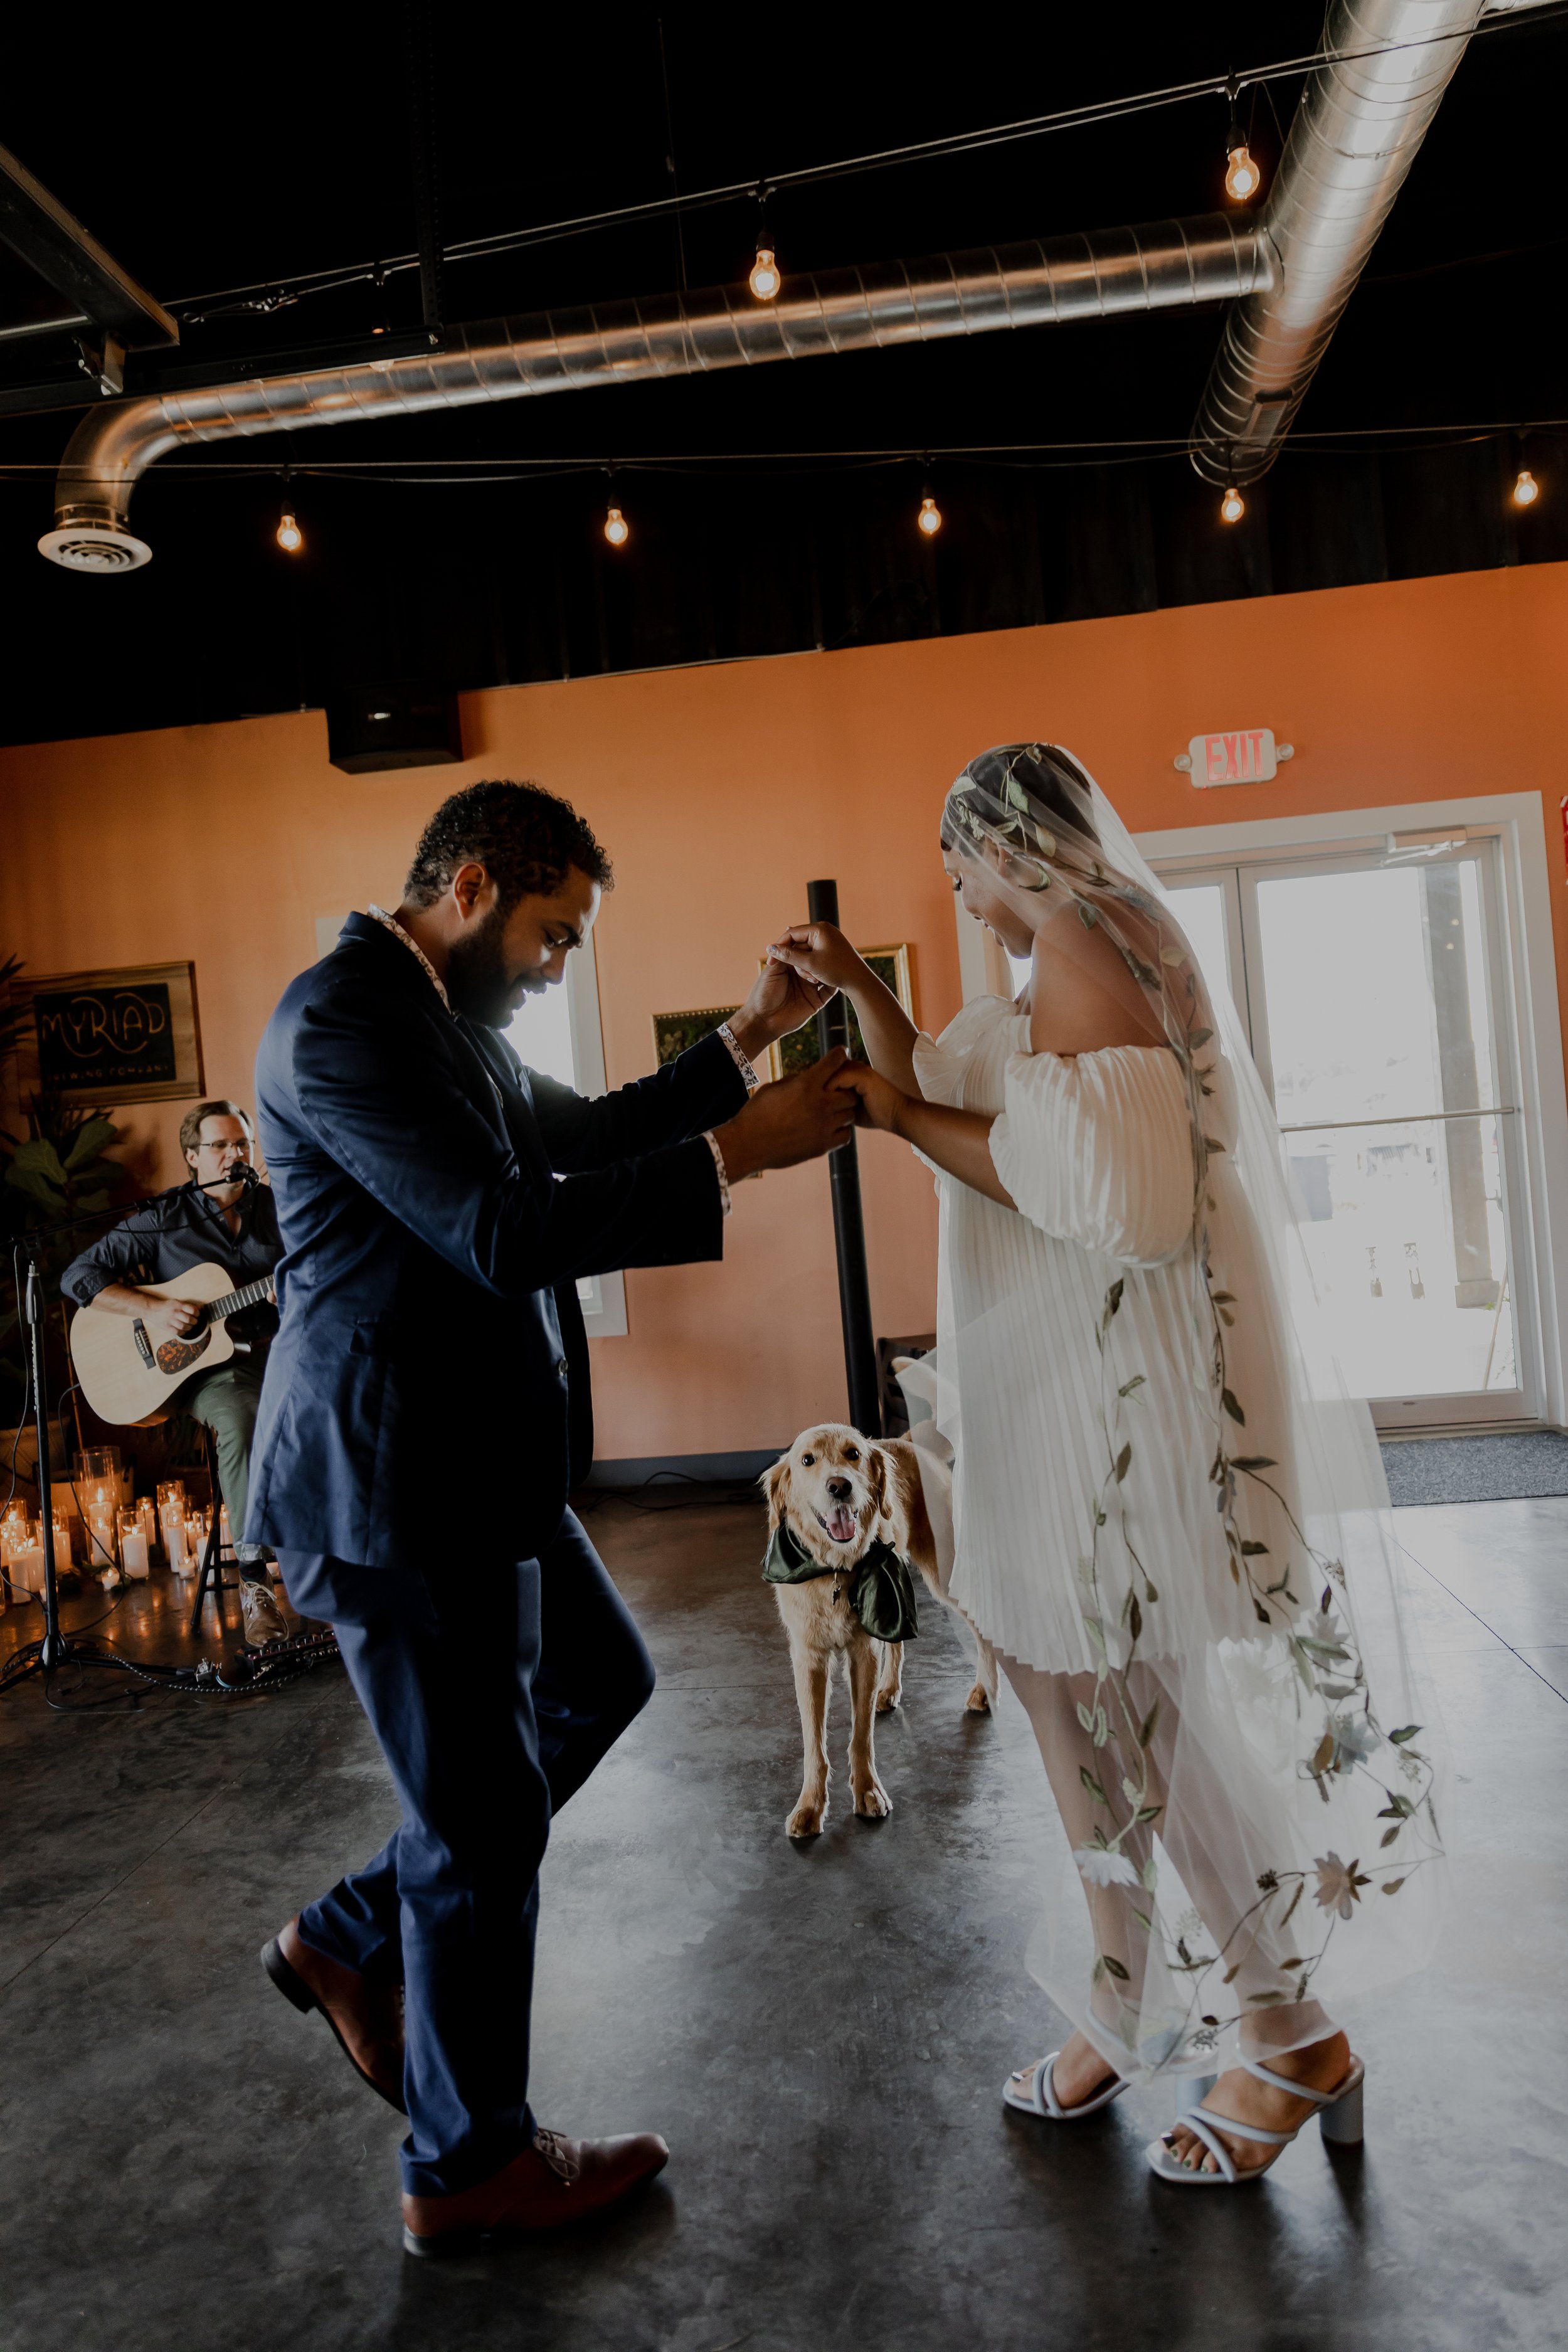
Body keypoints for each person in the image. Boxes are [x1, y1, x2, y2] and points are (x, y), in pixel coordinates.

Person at [770, 743, 1444, 2188]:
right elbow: (964, 1094)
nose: (951, 879)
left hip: (1108, 1420)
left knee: (1136, 1732)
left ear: (1004, 844)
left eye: (954, 852)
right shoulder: (1066, 958)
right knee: (1081, 1720)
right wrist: (865, 1000)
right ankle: (1132, 1993)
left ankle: (1292, 2032)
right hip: (1056, 1408)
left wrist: (896, 1114)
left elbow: (1120, 1197)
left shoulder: (1092, 944)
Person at [248, 778, 852, 2255]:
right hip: (391, 1488)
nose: (557, 966)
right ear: (465, 886)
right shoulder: (340, 1018)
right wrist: (741, 1153)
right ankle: (467, 2165)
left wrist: (749, 1041)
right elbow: (501, 1227)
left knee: (602, 1683)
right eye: (551, 934)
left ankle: (343, 1931)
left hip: (480, 1474)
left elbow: (582, 1132)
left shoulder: (443, 1016)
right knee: (477, 1823)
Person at [60, 1099, 289, 1644]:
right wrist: (154, 1309)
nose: (237, 1154)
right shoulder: (163, 1219)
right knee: (240, 1416)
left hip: (277, 1354)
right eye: (223, 1145)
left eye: (244, 1144)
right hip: (205, 1373)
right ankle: (255, 1581)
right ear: (193, 1156)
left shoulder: (278, 1209)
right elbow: (79, 1276)